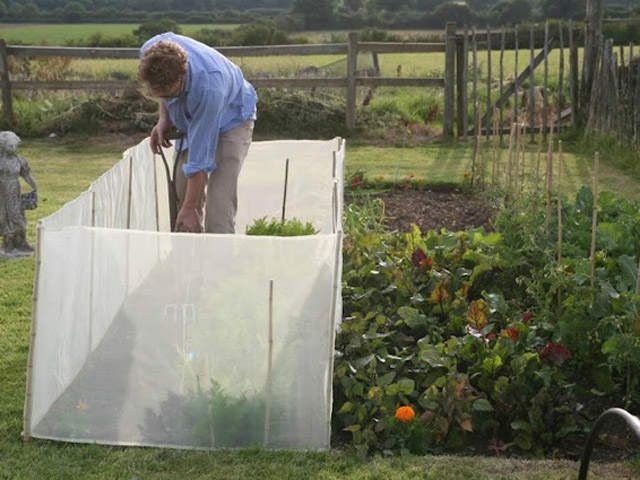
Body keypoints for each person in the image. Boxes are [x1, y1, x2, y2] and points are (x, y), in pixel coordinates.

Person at [138, 32, 257, 233]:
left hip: (233, 117)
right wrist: (164, 118)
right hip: (194, 112)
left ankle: (219, 259)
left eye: (170, 93)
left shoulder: (210, 89)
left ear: (183, 74)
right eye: (160, 93)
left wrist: (190, 207)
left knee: (219, 203)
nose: (165, 97)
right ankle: (186, 259)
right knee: (182, 193)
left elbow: (199, 159)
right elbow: (167, 93)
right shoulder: (150, 52)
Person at [0, 131, 37, 255]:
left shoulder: (20, 161)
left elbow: (26, 175)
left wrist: (34, 187)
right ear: (3, 146)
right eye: (10, 146)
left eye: (15, 145)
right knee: (4, 216)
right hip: (2, 191)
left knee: (18, 215)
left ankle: (21, 241)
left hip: (15, 189)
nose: (14, 148)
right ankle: (8, 243)